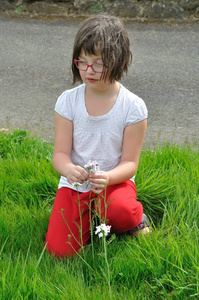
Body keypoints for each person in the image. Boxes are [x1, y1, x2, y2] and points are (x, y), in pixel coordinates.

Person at [46, 14, 150, 258]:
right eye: (81, 62)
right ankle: (88, 213)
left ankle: (136, 218)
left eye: (98, 64)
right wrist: (69, 169)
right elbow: (60, 154)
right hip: (76, 185)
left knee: (120, 212)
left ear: (119, 61)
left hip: (114, 183)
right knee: (60, 251)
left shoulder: (133, 107)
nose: (88, 71)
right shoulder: (67, 101)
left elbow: (130, 163)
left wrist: (109, 177)